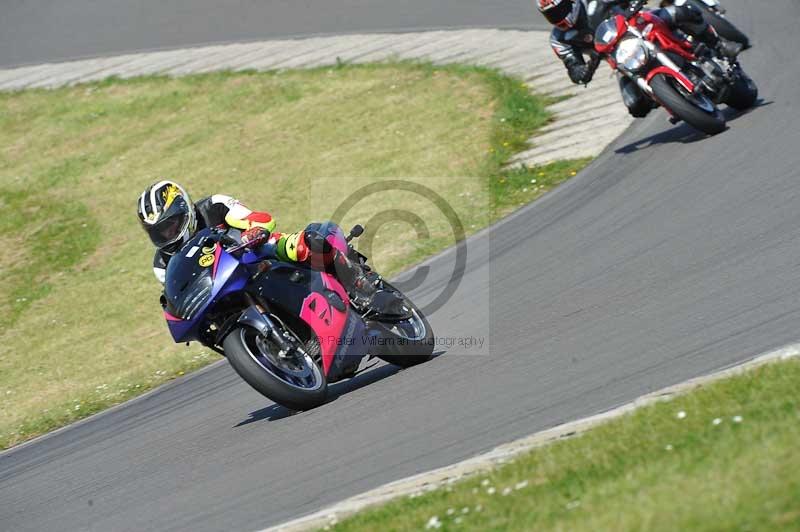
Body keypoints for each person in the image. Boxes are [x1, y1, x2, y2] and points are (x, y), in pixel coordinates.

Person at [136, 180, 378, 305]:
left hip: (256, 254)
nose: (168, 234)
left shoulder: (213, 206)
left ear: (185, 211)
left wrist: (254, 233)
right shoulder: (162, 264)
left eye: (171, 225)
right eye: (160, 232)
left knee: (302, 245)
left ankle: (357, 281)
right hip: (219, 288)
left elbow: (257, 219)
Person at [537, 0, 743, 117]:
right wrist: (583, 71)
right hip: (621, 59)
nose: (558, 18)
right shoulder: (560, 39)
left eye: (559, 10)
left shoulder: (593, 2)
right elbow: (573, 68)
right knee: (635, 106)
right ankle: (674, 98)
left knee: (682, 12)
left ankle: (719, 45)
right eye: (551, 15)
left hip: (641, 25)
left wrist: (634, 4)